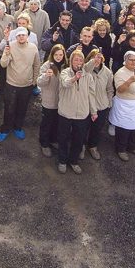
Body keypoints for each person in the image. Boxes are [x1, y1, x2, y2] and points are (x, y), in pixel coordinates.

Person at [57, 46, 96, 174]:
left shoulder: (88, 76)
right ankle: (62, 161)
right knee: (63, 138)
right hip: (66, 112)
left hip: (81, 114)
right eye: (76, 60)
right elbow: (65, 83)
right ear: (71, 61)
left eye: (81, 61)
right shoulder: (64, 72)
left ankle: (73, 161)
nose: (78, 63)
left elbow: (91, 94)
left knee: (78, 139)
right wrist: (75, 78)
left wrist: (93, 111)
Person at [0, 27, 39, 142]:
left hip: (27, 85)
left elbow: (36, 65)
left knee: (22, 108)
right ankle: (5, 129)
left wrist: (34, 81)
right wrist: (5, 54)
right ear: (16, 37)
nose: (21, 37)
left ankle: (18, 127)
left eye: (23, 35)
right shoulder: (11, 46)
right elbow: (3, 64)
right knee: (9, 108)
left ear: (27, 36)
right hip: (12, 84)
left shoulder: (33, 48)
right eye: (19, 35)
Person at [109, 51, 135, 161]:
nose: (134, 62)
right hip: (125, 105)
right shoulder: (120, 73)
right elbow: (119, 90)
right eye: (131, 60)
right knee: (124, 129)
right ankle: (121, 149)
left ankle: (132, 146)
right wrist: (129, 81)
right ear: (125, 60)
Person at [84, 48, 114, 160]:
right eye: (94, 57)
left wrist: (109, 102)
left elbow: (110, 89)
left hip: (102, 105)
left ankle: (92, 146)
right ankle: (81, 145)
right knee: (84, 127)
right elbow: (85, 69)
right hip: (87, 105)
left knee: (96, 128)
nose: (97, 60)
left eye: (99, 58)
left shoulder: (107, 72)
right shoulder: (86, 70)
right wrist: (92, 62)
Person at [36, 44, 66, 157]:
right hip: (49, 101)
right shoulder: (46, 66)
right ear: (52, 55)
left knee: (57, 123)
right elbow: (39, 82)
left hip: (61, 102)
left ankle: (53, 140)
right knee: (46, 123)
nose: (58, 57)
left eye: (61, 54)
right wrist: (46, 76)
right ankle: (44, 143)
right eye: (56, 54)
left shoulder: (65, 66)